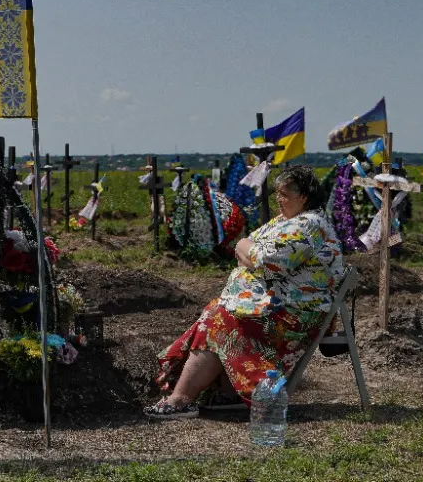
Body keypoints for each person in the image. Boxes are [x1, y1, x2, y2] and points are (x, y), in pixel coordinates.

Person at [145, 165, 345, 419]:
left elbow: (266, 260)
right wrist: (249, 253)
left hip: (294, 317)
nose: (278, 200)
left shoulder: (309, 225)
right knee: (217, 311)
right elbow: (252, 254)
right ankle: (224, 394)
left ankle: (181, 399)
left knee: (219, 322)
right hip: (277, 308)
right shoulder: (288, 221)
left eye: (284, 194)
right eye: (277, 194)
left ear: (303, 196)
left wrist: (241, 244)